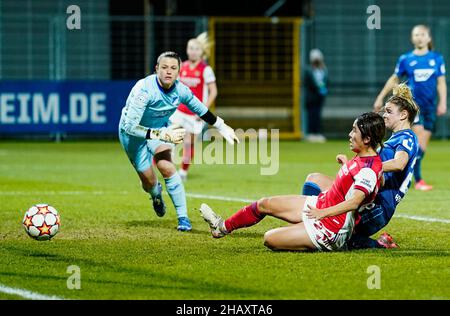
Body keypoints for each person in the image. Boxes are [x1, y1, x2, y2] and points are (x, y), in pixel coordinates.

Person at [200, 112, 385, 252]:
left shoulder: (369, 169)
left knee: (269, 239)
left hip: (331, 229)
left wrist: (322, 213)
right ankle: (221, 227)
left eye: (355, 131)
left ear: (367, 139)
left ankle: (323, 238)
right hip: (320, 204)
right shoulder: (362, 158)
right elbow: (358, 183)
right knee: (265, 203)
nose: (350, 134)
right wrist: (346, 164)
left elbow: (354, 202)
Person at [118, 51, 239, 232]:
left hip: (161, 130)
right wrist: (163, 135)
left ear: (179, 72)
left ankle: (183, 218)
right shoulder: (143, 90)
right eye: (164, 67)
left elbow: (201, 109)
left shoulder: (181, 90)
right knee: (149, 183)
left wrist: (221, 126)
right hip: (133, 137)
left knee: (167, 166)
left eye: (173, 68)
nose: (169, 72)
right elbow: (130, 127)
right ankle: (155, 194)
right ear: (156, 69)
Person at [302, 84, 419, 249]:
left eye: (389, 111)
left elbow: (399, 164)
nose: (384, 115)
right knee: (314, 180)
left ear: (404, 115)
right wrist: (351, 167)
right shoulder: (395, 139)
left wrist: (367, 169)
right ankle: (308, 222)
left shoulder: (407, 137)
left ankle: (379, 245)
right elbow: (377, 176)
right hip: (370, 198)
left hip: (378, 208)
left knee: (345, 239)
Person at [373, 24, 447, 191]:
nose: (419, 37)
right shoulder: (406, 59)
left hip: (430, 107)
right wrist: (380, 97)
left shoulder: (437, 58)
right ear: (412, 38)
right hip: (415, 107)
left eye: (422, 34)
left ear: (428, 38)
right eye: (416, 34)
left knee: (422, 147)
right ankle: (417, 179)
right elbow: (394, 79)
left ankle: (407, 173)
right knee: (417, 139)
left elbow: (441, 82)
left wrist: (443, 102)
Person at [170, 33, 217, 181]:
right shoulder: (181, 67)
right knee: (167, 138)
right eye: (190, 48)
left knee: (188, 142)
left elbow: (214, 92)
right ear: (186, 50)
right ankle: (155, 167)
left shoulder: (206, 69)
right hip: (179, 111)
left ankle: (183, 172)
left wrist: (203, 111)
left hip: (195, 114)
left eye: (196, 48)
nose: (193, 51)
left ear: (201, 52)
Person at [303, 48, 328, 143]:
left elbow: (325, 81)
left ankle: (317, 133)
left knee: (317, 115)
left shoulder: (324, 70)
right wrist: (318, 87)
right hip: (311, 97)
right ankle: (311, 133)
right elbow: (309, 83)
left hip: (319, 97)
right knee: (311, 115)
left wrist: (322, 89)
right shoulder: (309, 70)